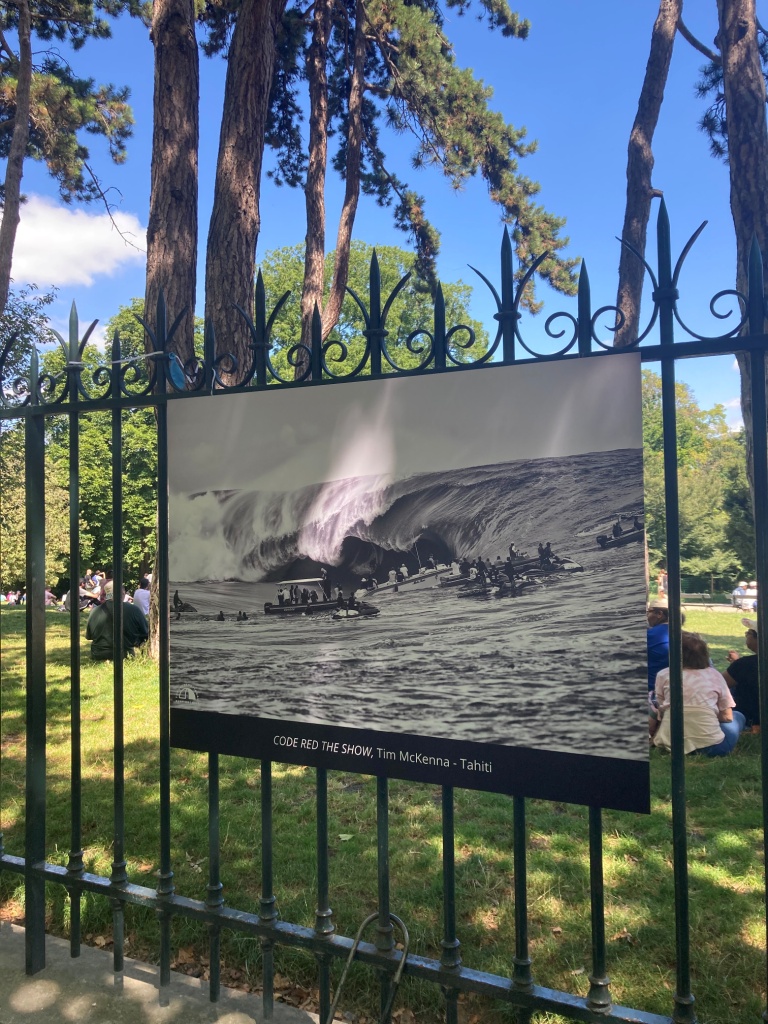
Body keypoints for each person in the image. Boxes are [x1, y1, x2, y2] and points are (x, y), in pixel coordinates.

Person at [652, 631, 746, 756]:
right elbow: (727, 716)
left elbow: (662, 708)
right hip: (713, 748)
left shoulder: (663, 674)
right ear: (705, 654)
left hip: (670, 743)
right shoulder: (715, 675)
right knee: (738, 716)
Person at [85, 580, 148, 660]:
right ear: (122, 593)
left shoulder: (95, 611)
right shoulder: (134, 610)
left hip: (98, 655)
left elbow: (89, 636)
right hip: (125, 655)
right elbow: (145, 632)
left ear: (106, 594)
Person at [724, 617, 760, 729]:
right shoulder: (744, 665)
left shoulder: (745, 664)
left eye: (749, 633)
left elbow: (719, 684)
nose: (746, 635)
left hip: (749, 719)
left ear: (758, 638)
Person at [646, 598, 670, 696]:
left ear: (659, 614)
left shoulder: (649, 635)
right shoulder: (687, 637)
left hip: (653, 691)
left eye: (649, 612)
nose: (647, 616)